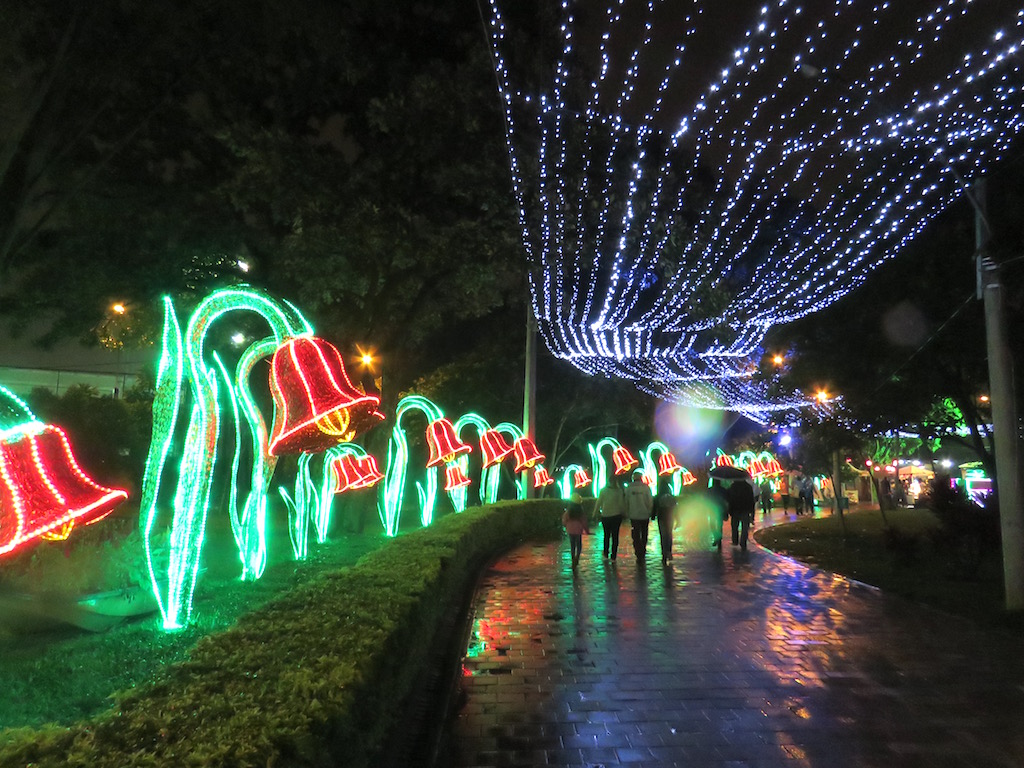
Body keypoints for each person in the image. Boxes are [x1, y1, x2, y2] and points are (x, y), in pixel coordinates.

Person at [625, 469, 653, 564]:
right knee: (644, 533)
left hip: (634, 515)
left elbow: (626, 501)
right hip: (644, 515)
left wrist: (627, 511)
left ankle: (638, 552)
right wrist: (649, 510)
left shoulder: (629, 488)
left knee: (635, 534)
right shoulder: (646, 488)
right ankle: (643, 549)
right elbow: (649, 501)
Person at [595, 478, 627, 561]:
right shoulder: (619, 491)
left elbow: (599, 502)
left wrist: (595, 512)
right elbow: (621, 504)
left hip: (606, 515)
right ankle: (614, 555)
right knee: (615, 536)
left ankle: (605, 553)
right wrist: (624, 512)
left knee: (606, 535)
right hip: (616, 516)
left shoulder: (603, 491)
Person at [653, 478, 678, 566]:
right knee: (669, 534)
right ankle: (669, 552)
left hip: (661, 518)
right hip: (670, 517)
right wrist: (678, 519)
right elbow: (676, 509)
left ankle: (664, 554)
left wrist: (652, 516)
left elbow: (654, 508)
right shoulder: (671, 497)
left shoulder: (657, 496)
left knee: (663, 535)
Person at [728, 478, 756, 551]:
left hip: (735, 509)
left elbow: (730, 499)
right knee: (745, 527)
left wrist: (729, 510)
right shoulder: (748, 487)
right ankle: (743, 542)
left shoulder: (733, 487)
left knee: (734, 526)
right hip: (745, 510)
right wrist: (751, 511)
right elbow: (751, 500)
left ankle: (735, 541)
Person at [562, 493, 588, 569]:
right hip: (578, 530)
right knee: (579, 545)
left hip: (570, 530)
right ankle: (577, 557)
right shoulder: (581, 512)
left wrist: (564, 525)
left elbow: (564, 519)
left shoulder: (568, 512)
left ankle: (573, 557)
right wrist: (586, 530)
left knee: (572, 545)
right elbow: (584, 521)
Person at [708, 479, 729, 550]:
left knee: (712, 524)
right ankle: (719, 538)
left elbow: (706, 499)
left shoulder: (710, 490)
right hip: (720, 509)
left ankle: (716, 536)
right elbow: (727, 500)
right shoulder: (723, 490)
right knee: (720, 525)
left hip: (712, 509)